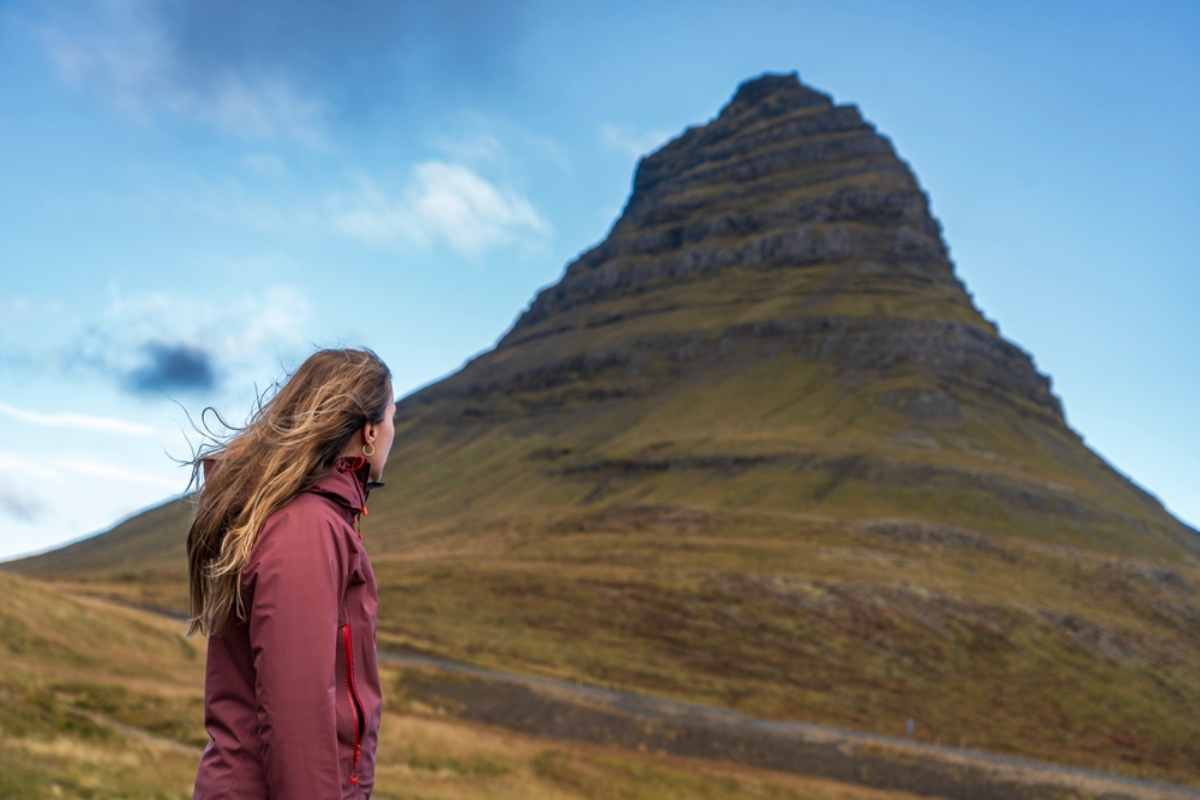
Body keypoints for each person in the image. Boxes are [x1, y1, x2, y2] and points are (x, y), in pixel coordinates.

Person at [184, 347, 395, 799]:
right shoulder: (308, 528)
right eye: (394, 417)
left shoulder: (314, 521)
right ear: (371, 432)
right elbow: (296, 715)